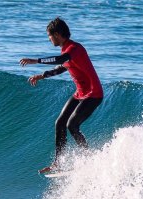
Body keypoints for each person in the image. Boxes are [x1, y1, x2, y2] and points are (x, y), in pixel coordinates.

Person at [20, 17, 103, 173]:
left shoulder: (74, 49)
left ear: (57, 34)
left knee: (71, 125)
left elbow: (60, 60)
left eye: (49, 36)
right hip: (81, 94)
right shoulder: (66, 51)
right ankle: (58, 163)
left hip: (93, 94)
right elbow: (61, 68)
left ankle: (90, 158)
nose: (49, 39)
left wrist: (35, 60)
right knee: (60, 123)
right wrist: (41, 76)